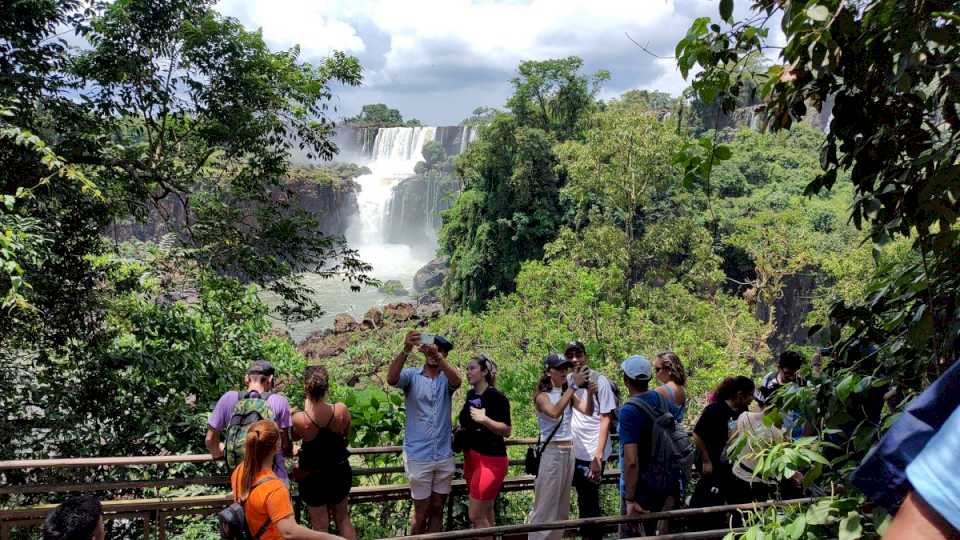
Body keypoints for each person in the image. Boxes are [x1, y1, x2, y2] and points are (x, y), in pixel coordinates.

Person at [386, 331, 461, 534]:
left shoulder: (447, 379)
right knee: (420, 513)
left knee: (437, 508)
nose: (433, 352)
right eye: (430, 347)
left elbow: (458, 381)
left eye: (439, 350)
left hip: (443, 454)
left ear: (444, 354)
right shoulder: (411, 376)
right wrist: (405, 349)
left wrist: (438, 357)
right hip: (419, 455)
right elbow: (392, 379)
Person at [230, 419, 344, 540]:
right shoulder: (274, 488)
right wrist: (332, 538)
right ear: (277, 446)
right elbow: (289, 531)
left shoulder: (240, 471)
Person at [527, 352, 594, 540]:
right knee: (545, 506)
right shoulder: (543, 396)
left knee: (561, 508)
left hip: (568, 452)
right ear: (549, 372)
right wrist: (573, 386)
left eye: (566, 368)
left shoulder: (568, 393)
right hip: (552, 452)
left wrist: (589, 393)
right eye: (559, 368)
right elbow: (555, 412)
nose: (564, 371)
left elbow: (587, 411)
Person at [291, 365, 356, 539]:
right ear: (327, 386)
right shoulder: (340, 410)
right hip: (339, 471)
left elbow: (293, 439)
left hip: (313, 477)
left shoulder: (300, 419)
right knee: (343, 519)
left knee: (319, 526)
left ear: (306, 387)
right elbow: (346, 434)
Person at [564, 340, 617, 540]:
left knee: (590, 503)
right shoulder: (567, 381)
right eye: (570, 356)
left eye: (578, 354)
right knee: (582, 501)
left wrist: (598, 456)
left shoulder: (599, 381)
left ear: (585, 356)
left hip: (592, 453)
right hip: (573, 451)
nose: (575, 359)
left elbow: (606, 418)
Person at [206, 360, 293, 481]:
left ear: (246, 378)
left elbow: (210, 440)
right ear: (270, 379)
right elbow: (285, 446)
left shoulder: (228, 398)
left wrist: (224, 451)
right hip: (272, 479)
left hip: (240, 480)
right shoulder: (280, 401)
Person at [618, 354, 675, 537]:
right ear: (649, 378)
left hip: (640, 490)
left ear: (626, 380)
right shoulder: (660, 400)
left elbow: (631, 460)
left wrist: (630, 499)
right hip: (662, 482)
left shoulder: (629, 411)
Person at [689, 376, 755, 528]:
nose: (752, 399)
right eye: (750, 394)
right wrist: (706, 460)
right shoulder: (714, 410)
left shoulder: (744, 412)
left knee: (736, 498)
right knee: (709, 494)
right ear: (739, 395)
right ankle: (699, 525)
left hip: (732, 465)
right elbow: (697, 434)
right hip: (712, 462)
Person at [457, 354, 511, 531]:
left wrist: (485, 420)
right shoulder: (470, 394)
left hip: (491, 460)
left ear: (484, 371)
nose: (468, 372)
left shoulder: (497, 397)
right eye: (467, 369)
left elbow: (507, 430)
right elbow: (467, 421)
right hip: (471, 458)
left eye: (472, 368)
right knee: (486, 511)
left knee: (475, 515)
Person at [725, 391, 802, 504]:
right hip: (760, 484)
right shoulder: (775, 433)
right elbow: (781, 465)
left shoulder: (744, 416)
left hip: (739, 476)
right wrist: (795, 475)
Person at [761, 350, 806, 438]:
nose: (791, 377)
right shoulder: (768, 380)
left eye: (794, 373)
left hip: (793, 431)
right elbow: (763, 404)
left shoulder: (801, 384)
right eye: (787, 373)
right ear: (779, 368)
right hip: (773, 428)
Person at [653, 351, 687, 423]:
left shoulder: (660, 391)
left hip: (664, 433)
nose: (655, 373)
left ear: (669, 370)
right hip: (678, 432)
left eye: (658, 369)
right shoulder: (682, 389)